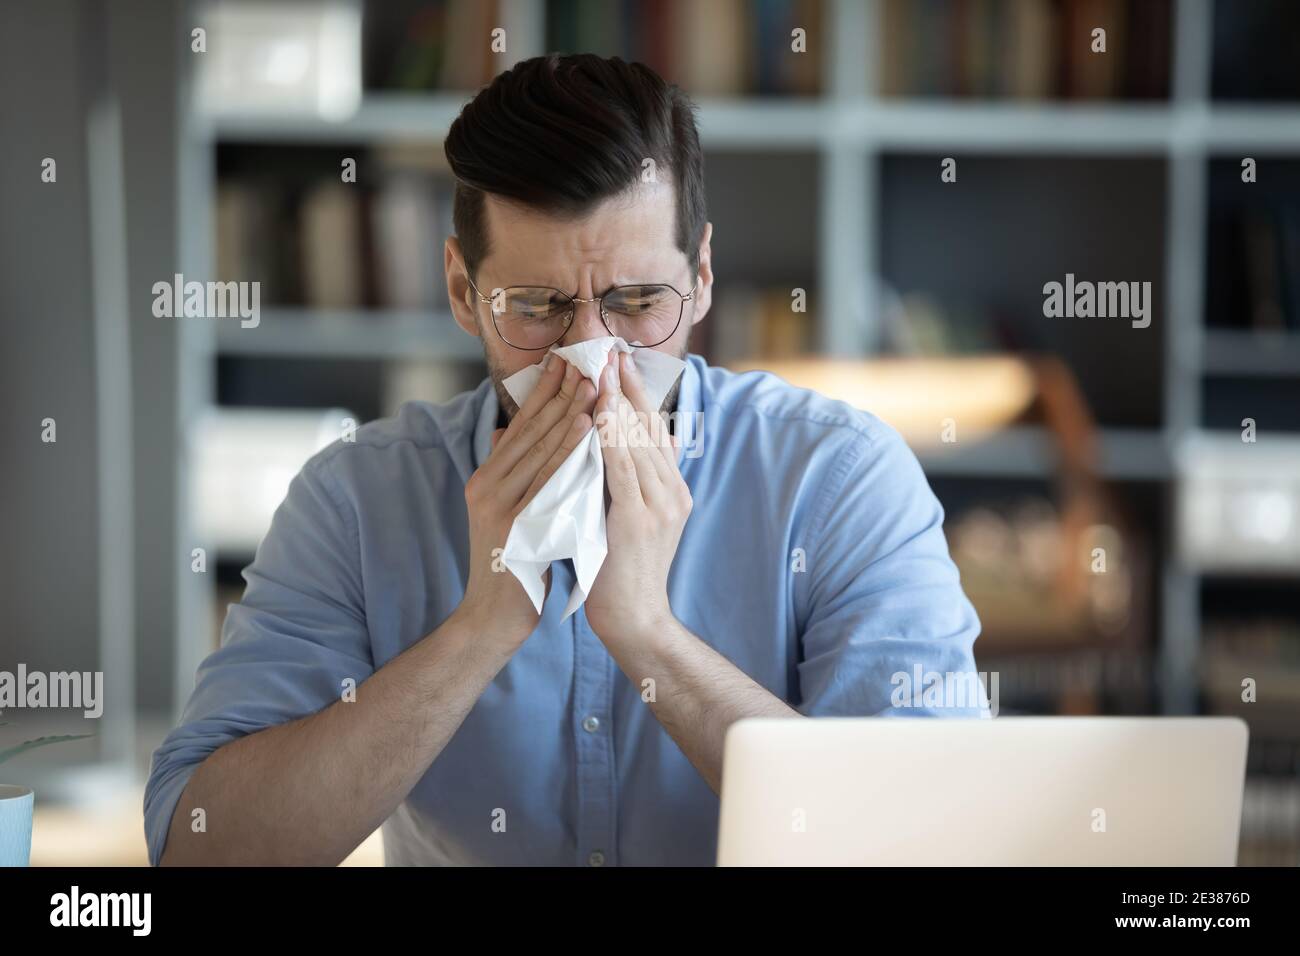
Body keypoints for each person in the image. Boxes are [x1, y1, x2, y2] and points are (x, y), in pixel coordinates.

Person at [146, 53, 987, 867]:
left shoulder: (839, 480)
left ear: (699, 277)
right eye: (535, 307)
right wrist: (480, 629)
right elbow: (203, 851)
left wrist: (650, 635)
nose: (591, 361)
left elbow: (931, 844)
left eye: (638, 301)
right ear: (462, 291)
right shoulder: (354, 500)